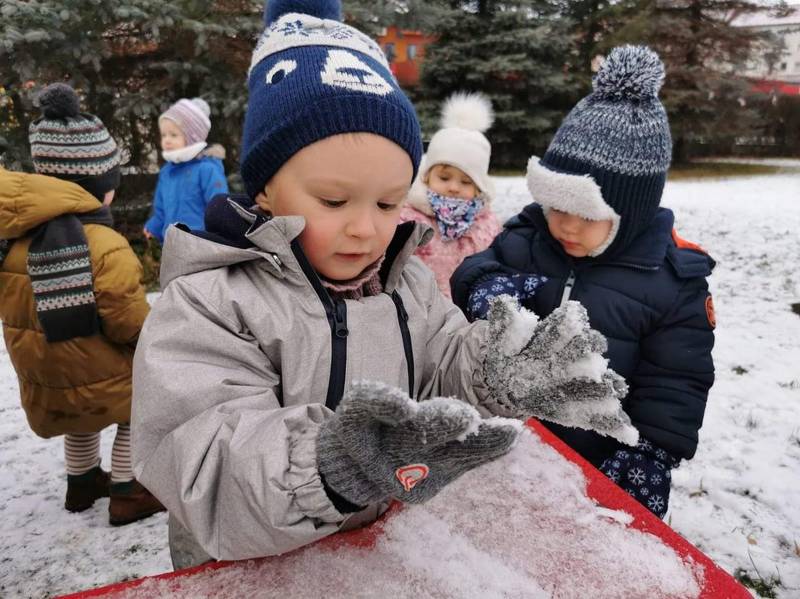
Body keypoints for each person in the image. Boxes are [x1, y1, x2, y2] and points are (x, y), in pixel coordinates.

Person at [131, 0, 631, 570]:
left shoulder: (407, 282)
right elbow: (203, 460)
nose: (366, 228)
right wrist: (331, 466)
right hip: (252, 574)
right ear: (265, 188)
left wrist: (491, 374)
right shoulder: (212, 302)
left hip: (369, 560)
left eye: (389, 202)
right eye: (334, 201)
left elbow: (443, 366)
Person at [451, 46, 716, 518]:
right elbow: (475, 267)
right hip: (504, 440)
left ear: (629, 213)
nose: (565, 226)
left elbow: (677, 382)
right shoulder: (526, 236)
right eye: (556, 206)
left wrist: (648, 453)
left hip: (596, 459)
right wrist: (482, 286)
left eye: (585, 214)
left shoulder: (673, 284)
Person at [0, 84, 164, 525]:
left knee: (83, 412)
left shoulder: (16, 239)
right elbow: (126, 317)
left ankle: (82, 481)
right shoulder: (102, 242)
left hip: (47, 373)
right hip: (97, 367)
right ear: (98, 186)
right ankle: (128, 490)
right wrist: (154, 340)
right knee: (138, 403)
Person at [399, 92, 501, 298]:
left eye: (465, 181)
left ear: (479, 187)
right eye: (444, 178)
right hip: (419, 306)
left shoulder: (488, 224)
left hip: (464, 308)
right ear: (427, 177)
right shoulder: (408, 218)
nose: (454, 187)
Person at [142, 97, 228, 242]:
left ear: (192, 138)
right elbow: (161, 208)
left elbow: (220, 209)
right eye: (164, 135)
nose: (167, 140)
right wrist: (154, 226)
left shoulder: (207, 170)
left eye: (174, 135)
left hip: (202, 244)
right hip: (173, 245)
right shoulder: (166, 172)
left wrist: (220, 237)